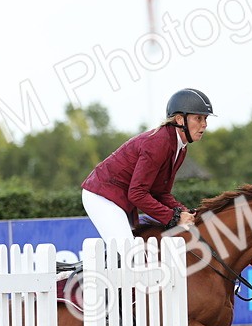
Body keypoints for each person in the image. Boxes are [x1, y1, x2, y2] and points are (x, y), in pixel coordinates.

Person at [81, 88, 213, 244]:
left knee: (136, 250)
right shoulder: (159, 143)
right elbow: (137, 193)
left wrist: (185, 212)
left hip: (121, 198)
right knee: (129, 251)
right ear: (179, 119)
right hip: (102, 195)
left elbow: (161, 193)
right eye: (198, 118)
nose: (204, 124)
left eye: (205, 119)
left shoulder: (180, 148)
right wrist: (175, 217)